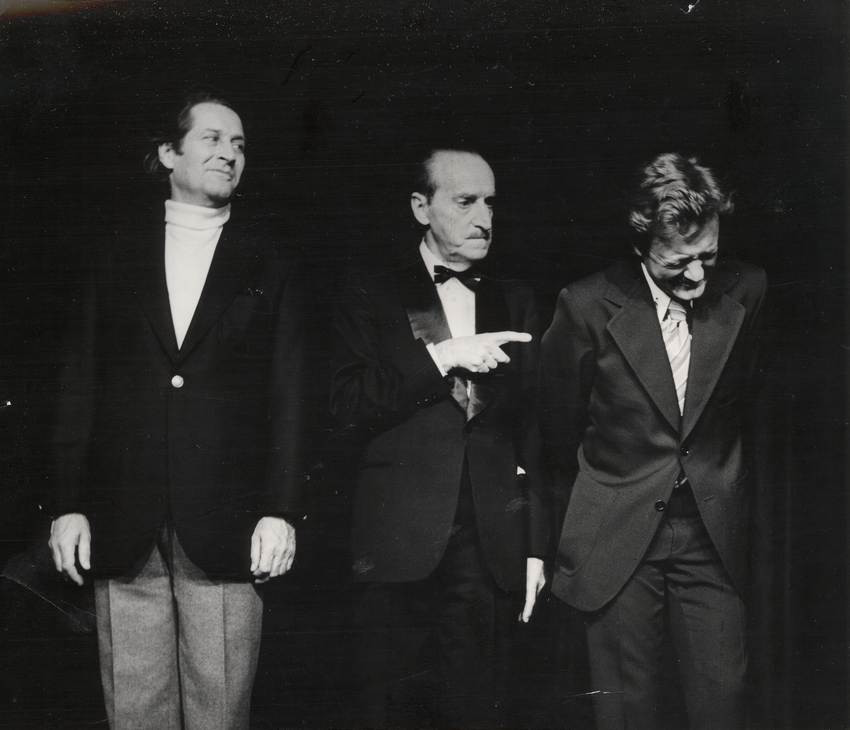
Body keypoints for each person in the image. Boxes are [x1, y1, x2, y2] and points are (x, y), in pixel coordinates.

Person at [46, 91, 309, 729]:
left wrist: (280, 510)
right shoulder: (113, 253)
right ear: (169, 153)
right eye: (212, 139)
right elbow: (79, 382)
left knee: (221, 712)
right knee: (134, 710)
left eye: (239, 144)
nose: (229, 153)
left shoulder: (271, 260)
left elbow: (290, 392)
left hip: (227, 523)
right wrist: (66, 503)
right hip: (121, 519)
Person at [540, 152, 767, 730]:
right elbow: (556, 428)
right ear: (642, 244)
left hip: (710, 535)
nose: (697, 276)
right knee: (626, 711)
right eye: (677, 261)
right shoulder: (584, 305)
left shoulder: (748, 290)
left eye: (707, 256)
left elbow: (749, 405)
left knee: (724, 702)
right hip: (618, 535)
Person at [330, 148, 549, 727]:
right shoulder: (368, 290)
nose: (485, 218)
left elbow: (533, 433)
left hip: (489, 548)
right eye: (466, 201)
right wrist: (443, 356)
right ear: (420, 207)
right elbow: (345, 406)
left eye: (491, 203)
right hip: (395, 545)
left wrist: (535, 545)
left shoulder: (516, 298)